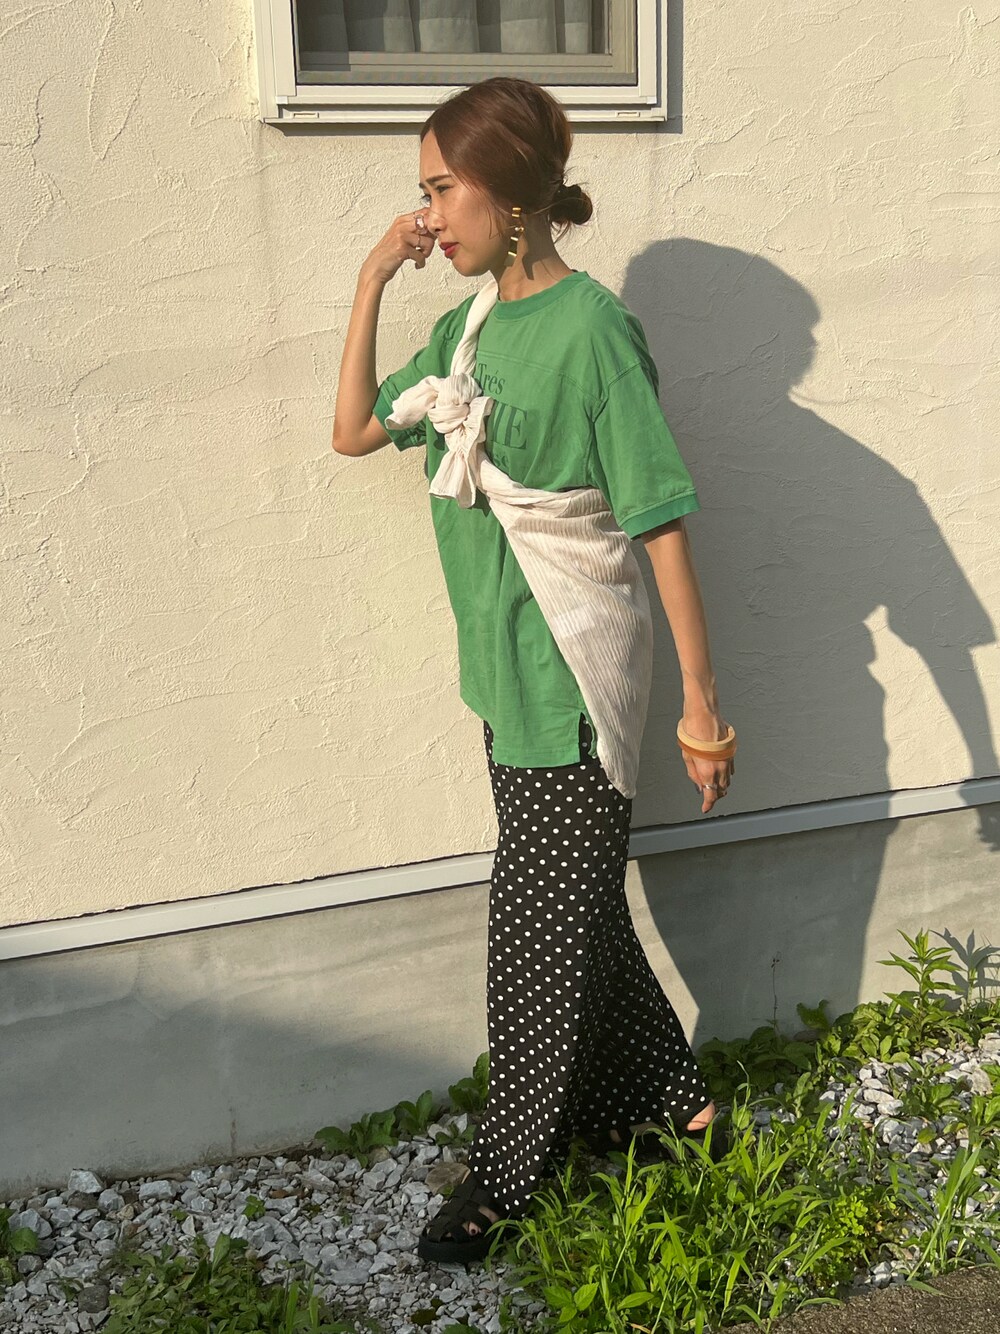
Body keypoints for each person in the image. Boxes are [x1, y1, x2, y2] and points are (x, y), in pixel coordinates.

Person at [332, 76, 736, 1266]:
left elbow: (658, 520)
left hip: (570, 676)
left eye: (439, 189)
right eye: (421, 194)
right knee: (577, 909)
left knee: (533, 939)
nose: (427, 216)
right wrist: (371, 277)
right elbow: (353, 430)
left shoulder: (592, 330)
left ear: (510, 195)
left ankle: (508, 1175)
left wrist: (702, 709)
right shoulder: (464, 333)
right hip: (502, 677)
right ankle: (677, 1111)